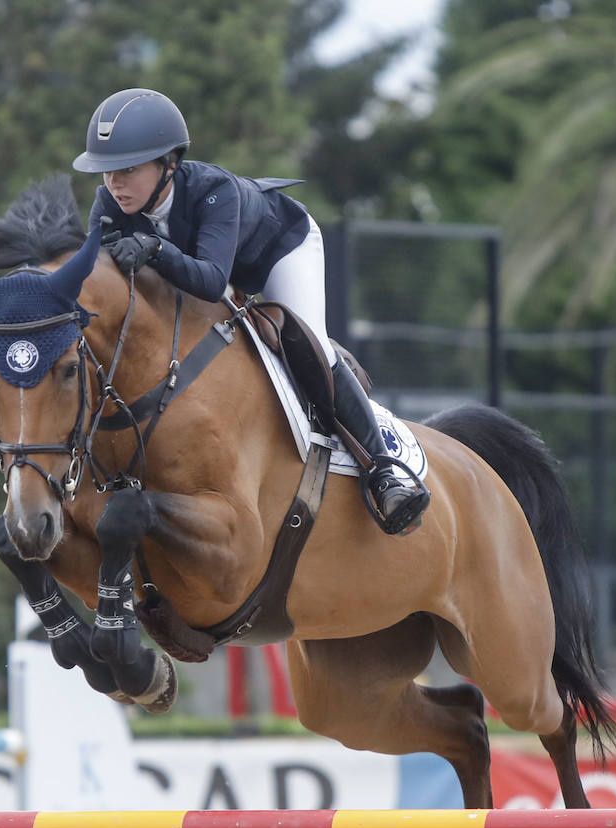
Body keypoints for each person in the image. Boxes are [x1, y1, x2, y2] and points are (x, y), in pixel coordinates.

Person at [74, 88, 429, 536]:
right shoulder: (109, 204)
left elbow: (209, 280)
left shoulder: (213, 191)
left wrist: (154, 248)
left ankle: (384, 470)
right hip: (199, 268)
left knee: (311, 341)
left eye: (127, 169)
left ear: (169, 164)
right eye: (107, 173)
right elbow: (94, 278)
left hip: (277, 253)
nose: (114, 184)